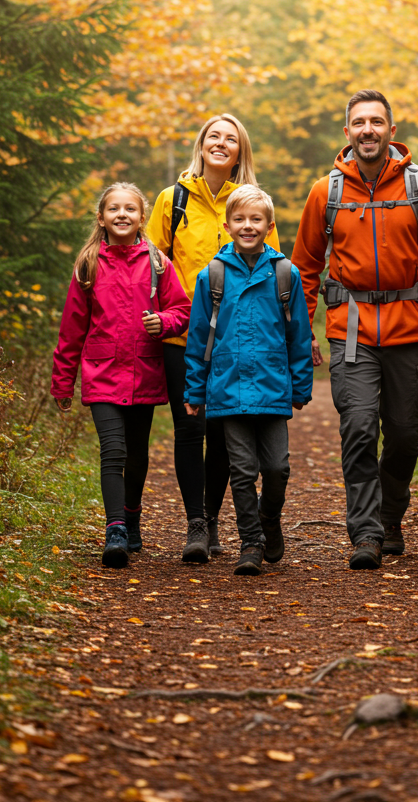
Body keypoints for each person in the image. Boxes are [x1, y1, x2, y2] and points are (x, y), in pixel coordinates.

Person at [291, 89, 418, 570]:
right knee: (360, 429)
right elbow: (304, 266)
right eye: (359, 123)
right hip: (351, 333)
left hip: (411, 332)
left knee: (405, 434)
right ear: (347, 133)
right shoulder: (325, 192)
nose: (368, 130)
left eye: (377, 122)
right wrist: (302, 331)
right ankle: (365, 533)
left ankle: (391, 518)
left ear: (392, 130)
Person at [149, 114, 282, 564]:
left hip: (235, 343)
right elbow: (150, 266)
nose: (221, 143)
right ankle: (196, 526)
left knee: (224, 434)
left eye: (231, 139)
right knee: (189, 428)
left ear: (240, 150)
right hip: (180, 336)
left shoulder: (250, 202)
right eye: (214, 137)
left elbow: (274, 269)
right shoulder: (174, 200)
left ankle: (212, 514)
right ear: (201, 144)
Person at [51, 183, 192, 568]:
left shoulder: (158, 262)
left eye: (130, 208)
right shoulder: (89, 264)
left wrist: (161, 321)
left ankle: (131, 515)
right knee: (112, 452)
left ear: (141, 217)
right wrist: (62, 381)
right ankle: (114, 529)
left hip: (145, 370)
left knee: (137, 453)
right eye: (114, 208)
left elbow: (183, 310)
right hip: (102, 372)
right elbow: (72, 329)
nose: (122, 215)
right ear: (101, 218)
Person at [183, 185, 314, 576]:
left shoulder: (285, 275)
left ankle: (268, 517)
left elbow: (299, 337)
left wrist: (301, 385)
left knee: (277, 469)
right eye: (239, 219)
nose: (247, 226)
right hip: (228, 391)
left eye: (256, 219)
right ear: (227, 225)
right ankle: (251, 541)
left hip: (273, 390)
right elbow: (198, 339)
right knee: (241, 471)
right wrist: (194, 389)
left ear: (269, 226)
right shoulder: (213, 276)